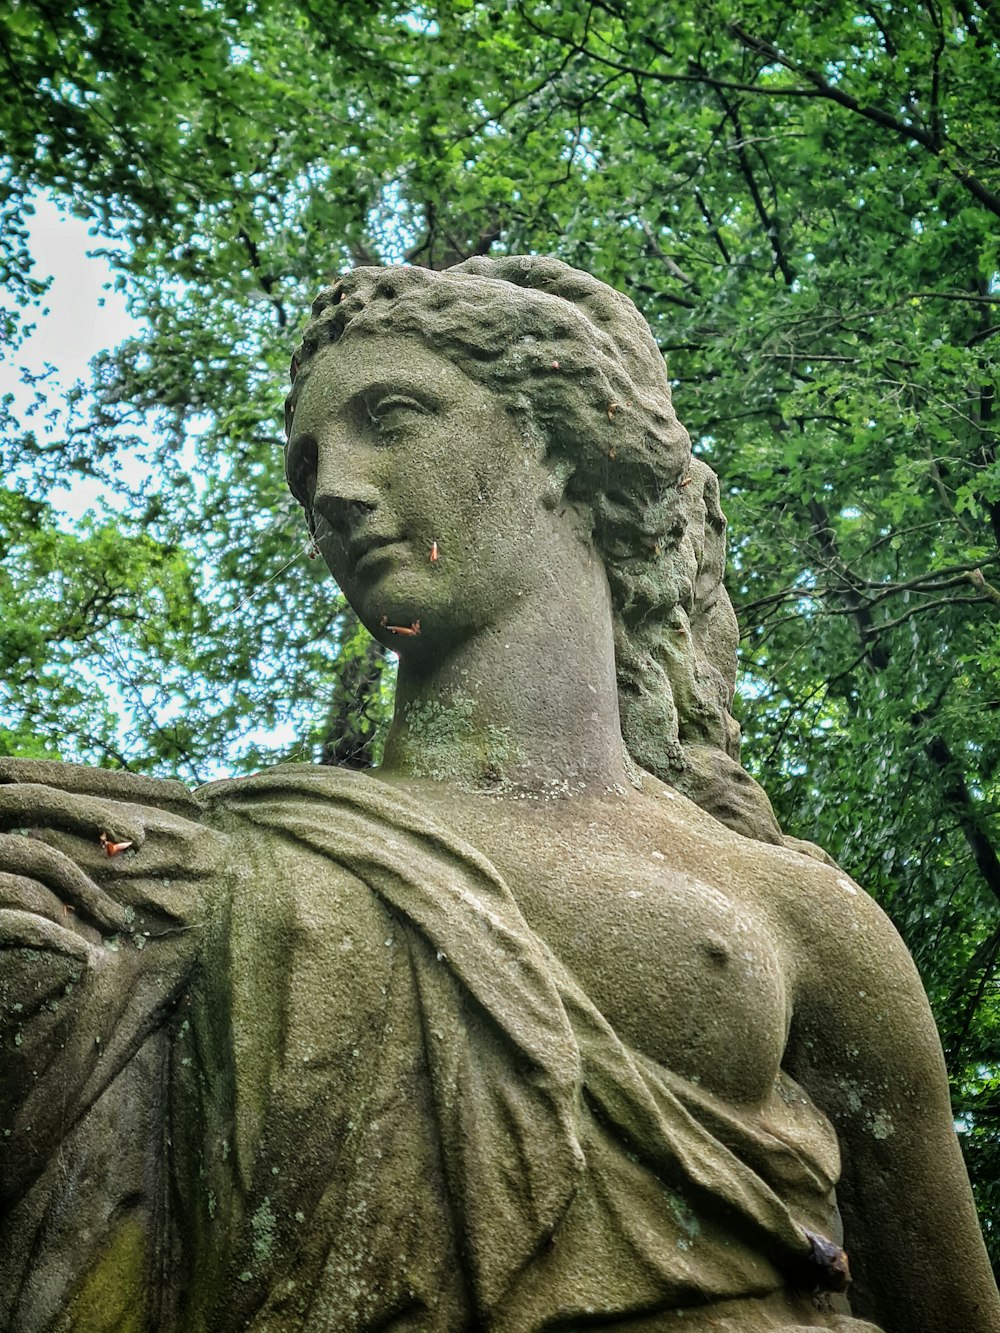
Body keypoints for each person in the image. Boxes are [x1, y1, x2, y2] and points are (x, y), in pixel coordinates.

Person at [0, 257, 996, 1333]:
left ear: (567, 442)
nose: (333, 489)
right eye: (306, 466)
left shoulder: (785, 905)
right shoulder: (210, 875)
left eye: (391, 416)